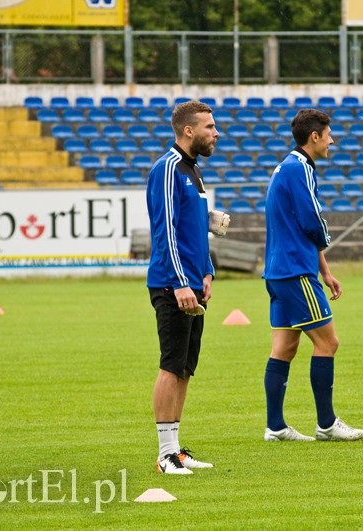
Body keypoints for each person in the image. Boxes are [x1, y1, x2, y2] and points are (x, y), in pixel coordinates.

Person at [261, 108, 363, 442]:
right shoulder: (301, 168)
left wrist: (325, 270)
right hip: (295, 271)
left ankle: (275, 427)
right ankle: (326, 423)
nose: (332, 140)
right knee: (328, 341)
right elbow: (311, 220)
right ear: (315, 136)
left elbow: (297, 225)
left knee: (284, 347)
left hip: (280, 271)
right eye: (329, 134)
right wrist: (326, 240)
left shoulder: (285, 167)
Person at [146, 100, 219, 474]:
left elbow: (196, 231)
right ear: (188, 131)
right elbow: (166, 231)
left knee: (186, 368)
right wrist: (179, 282)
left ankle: (176, 449)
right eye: (209, 126)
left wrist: (205, 273)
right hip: (172, 284)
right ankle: (164, 455)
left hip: (193, 283)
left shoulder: (194, 170)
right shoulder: (168, 168)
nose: (216, 132)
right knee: (171, 366)